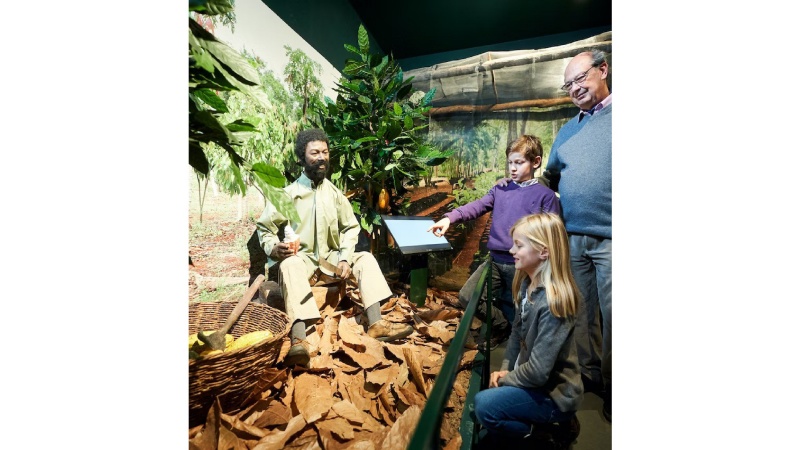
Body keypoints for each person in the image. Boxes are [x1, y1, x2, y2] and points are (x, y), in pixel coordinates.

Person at [256, 128, 413, 367]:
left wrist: (345, 258)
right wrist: (273, 248)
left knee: (366, 259)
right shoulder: (287, 194)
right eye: (314, 152)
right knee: (289, 264)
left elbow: (350, 228)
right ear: (302, 157)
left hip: (331, 262)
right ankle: (298, 340)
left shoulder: (335, 194)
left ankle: (376, 324)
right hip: (303, 261)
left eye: (325, 152)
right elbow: (265, 228)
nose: (321, 157)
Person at [427, 135, 560, 349]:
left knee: (524, 309)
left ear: (535, 162)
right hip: (495, 262)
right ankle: (501, 326)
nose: (513, 168)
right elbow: (477, 206)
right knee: (467, 296)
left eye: (519, 162)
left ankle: (521, 351)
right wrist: (449, 218)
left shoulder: (546, 196)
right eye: (510, 163)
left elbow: (553, 235)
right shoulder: (501, 189)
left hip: (526, 267)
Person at [473, 213, 583, 446]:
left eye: (519, 245)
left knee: (484, 406)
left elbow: (538, 372)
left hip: (554, 395)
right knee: (490, 397)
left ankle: (547, 434)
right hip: (534, 382)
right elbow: (516, 334)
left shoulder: (554, 304)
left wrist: (505, 380)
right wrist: (505, 368)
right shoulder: (525, 283)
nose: (511, 250)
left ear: (543, 252)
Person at [546, 49, 612, 421]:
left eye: (580, 78)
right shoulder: (568, 130)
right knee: (581, 313)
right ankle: (590, 378)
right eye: (568, 84)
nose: (574, 88)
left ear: (603, 70)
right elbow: (552, 175)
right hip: (574, 238)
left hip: (614, 237)